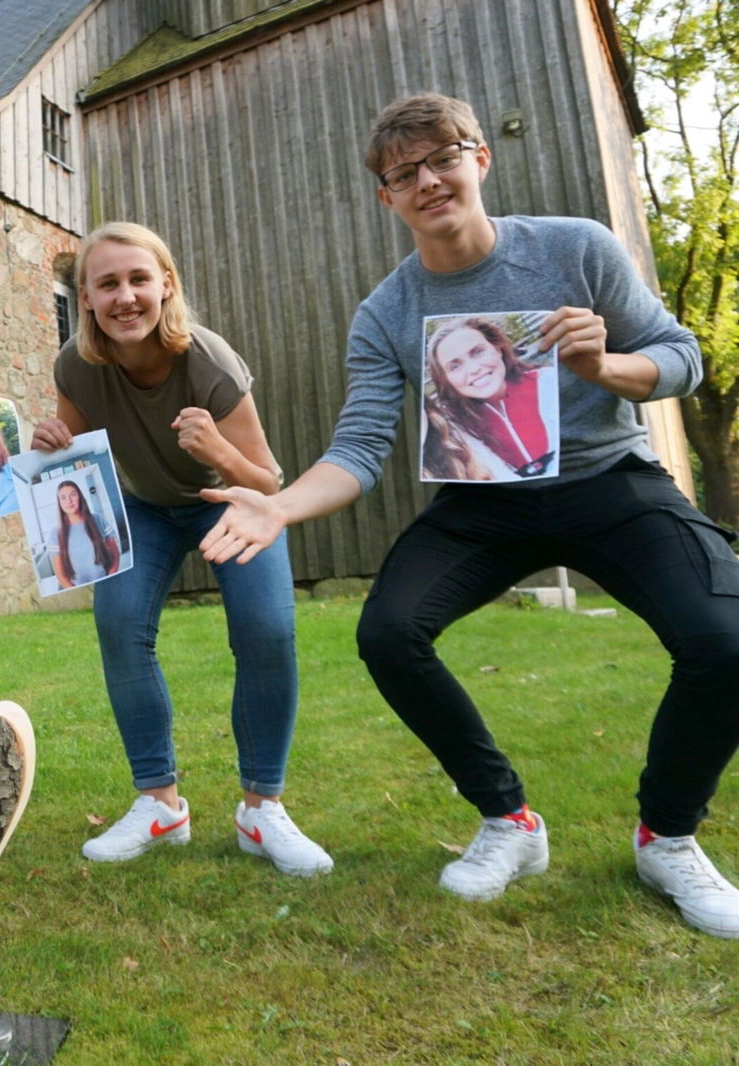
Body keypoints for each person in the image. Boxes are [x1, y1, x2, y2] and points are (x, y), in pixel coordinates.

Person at [200, 93, 739, 938]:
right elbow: (358, 449)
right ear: (386, 197)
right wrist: (279, 505)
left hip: (608, 480)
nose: (428, 181)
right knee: (388, 632)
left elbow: (682, 356)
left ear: (479, 159)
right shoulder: (386, 314)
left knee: (726, 640)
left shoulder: (576, 248)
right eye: (403, 173)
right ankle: (508, 820)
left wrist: (607, 368)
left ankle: (666, 838)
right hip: (482, 500)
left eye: (443, 158)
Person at [31, 221, 333, 876]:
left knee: (266, 630)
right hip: (145, 507)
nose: (125, 297)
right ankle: (159, 805)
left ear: (166, 284)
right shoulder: (76, 365)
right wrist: (50, 444)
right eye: (107, 284)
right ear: (86, 298)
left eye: (139, 279)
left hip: (230, 502)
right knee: (119, 623)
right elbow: (75, 463)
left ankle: (262, 810)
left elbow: (268, 482)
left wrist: (217, 450)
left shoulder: (209, 361)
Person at [422, 316, 557, 479]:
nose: (473, 369)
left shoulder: (548, 383)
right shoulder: (456, 429)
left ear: (498, 349)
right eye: (455, 366)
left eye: (478, 352)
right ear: (446, 379)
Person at [49, 480, 119, 587]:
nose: (69, 501)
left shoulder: (98, 519)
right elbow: (60, 575)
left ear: (80, 497)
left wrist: (111, 577)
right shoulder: (55, 534)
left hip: (107, 583)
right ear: (59, 503)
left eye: (73, 495)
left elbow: (115, 554)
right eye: (63, 498)